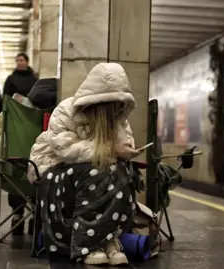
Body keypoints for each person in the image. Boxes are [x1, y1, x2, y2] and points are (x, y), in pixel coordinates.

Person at [28, 63, 144, 266]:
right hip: (53, 169)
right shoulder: (65, 111)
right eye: (110, 105)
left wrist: (125, 151)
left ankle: (107, 240)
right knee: (94, 171)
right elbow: (68, 151)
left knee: (122, 171)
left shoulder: (117, 118)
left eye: (119, 104)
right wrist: (112, 150)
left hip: (93, 172)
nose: (115, 110)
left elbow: (124, 145)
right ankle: (88, 245)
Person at [0, 78, 58, 235]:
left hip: (14, 173)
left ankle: (17, 216)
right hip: (47, 175)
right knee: (38, 169)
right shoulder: (59, 113)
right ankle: (36, 215)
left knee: (15, 165)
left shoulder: (15, 108)